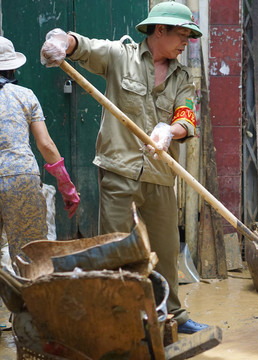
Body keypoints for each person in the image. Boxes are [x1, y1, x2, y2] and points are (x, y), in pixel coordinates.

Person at [40, 1, 208, 334]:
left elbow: (186, 117)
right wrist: (59, 40)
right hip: (118, 169)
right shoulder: (121, 56)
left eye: (189, 37)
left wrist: (168, 131)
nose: (185, 43)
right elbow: (80, 46)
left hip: (160, 174)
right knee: (115, 248)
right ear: (159, 31)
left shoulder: (182, 76)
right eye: (182, 35)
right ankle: (116, 314)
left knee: (166, 248)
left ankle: (173, 314)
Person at [0, 36, 79, 272]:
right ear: (12, 66)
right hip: (20, 177)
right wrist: (67, 187)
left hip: (17, 175)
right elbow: (46, 145)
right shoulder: (25, 96)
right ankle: (29, 307)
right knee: (29, 254)